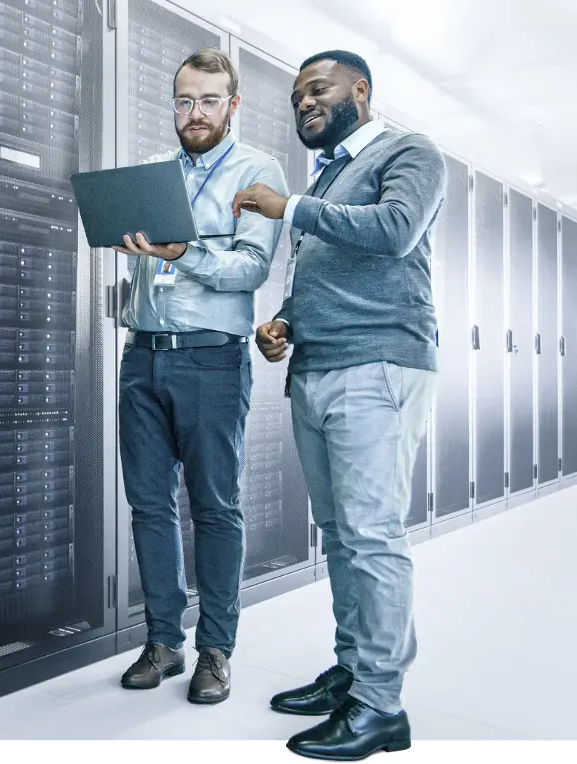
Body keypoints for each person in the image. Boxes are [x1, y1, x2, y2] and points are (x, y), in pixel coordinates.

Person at [232, 50, 446, 759]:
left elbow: (394, 231)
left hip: (378, 365)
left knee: (373, 536)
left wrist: (289, 206)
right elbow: (321, 270)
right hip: (318, 369)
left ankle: (381, 707)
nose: (304, 105)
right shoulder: (327, 177)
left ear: (361, 89)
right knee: (343, 535)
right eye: (296, 98)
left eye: (316, 90)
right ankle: (354, 671)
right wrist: (285, 321)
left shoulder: (409, 151)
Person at [113, 48, 288, 705]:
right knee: (148, 505)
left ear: (232, 105)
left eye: (209, 100)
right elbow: (146, 260)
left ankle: (216, 650)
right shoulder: (156, 174)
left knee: (215, 507)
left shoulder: (256, 172)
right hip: (143, 354)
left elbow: (249, 270)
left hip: (212, 357)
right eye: (185, 100)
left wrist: (183, 252)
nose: (194, 113)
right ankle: (163, 641)